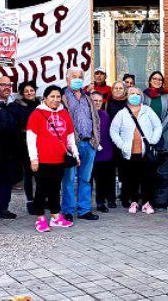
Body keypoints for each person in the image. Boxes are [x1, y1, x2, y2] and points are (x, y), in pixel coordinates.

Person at [27, 85, 79, 232]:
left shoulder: (64, 113)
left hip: (59, 159)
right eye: (52, 97)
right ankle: (40, 219)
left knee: (56, 189)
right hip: (42, 160)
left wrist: (75, 154)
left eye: (58, 97)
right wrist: (33, 158)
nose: (55, 100)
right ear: (45, 98)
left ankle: (56, 217)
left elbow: (70, 138)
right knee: (41, 190)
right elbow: (31, 138)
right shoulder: (37, 114)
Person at [110, 87, 163, 214]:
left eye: (137, 94)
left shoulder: (147, 110)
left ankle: (146, 203)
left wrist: (153, 140)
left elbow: (158, 126)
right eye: (132, 93)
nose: (135, 96)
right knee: (131, 178)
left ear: (141, 96)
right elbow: (113, 131)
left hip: (146, 152)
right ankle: (134, 202)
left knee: (147, 179)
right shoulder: (122, 113)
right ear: (127, 96)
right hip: (130, 153)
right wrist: (122, 145)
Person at [61, 67, 102, 222]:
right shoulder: (63, 97)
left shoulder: (87, 97)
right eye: (74, 76)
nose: (77, 79)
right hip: (72, 145)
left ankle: (84, 210)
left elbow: (95, 119)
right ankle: (68, 210)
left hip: (89, 144)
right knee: (69, 179)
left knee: (85, 178)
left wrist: (95, 139)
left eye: (80, 76)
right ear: (67, 79)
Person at [0, 75, 20, 220]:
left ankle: (3, 207)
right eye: (2, 85)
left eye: (9, 85)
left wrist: (0, 125)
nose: (7, 87)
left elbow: (16, 126)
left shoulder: (14, 104)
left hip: (11, 148)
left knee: (7, 179)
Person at [15, 81, 40, 214]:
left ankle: (41, 198)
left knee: (41, 173)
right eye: (26, 91)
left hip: (41, 143)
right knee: (29, 173)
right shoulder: (18, 106)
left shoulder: (41, 105)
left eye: (31, 90)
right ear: (22, 94)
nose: (29, 93)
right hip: (25, 144)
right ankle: (30, 200)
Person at [91, 91, 117, 212]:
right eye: (95, 100)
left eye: (100, 101)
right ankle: (85, 205)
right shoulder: (85, 115)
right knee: (87, 181)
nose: (98, 103)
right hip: (89, 152)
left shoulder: (105, 115)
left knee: (102, 180)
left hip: (104, 153)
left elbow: (108, 134)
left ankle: (101, 203)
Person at [106, 80, 129, 208]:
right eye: (116, 88)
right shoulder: (107, 103)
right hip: (110, 141)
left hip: (125, 141)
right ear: (112, 90)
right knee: (110, 172)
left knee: (125, 171)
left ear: (125, 90)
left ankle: (125, 197)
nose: (118, 90)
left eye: (121, 88)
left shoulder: (129, 104)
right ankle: (111, 198)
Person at [143, 71, 168, 152]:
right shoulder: (144, 95)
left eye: (160, 79)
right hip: (148, 131)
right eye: (154, 78)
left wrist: (159, 129)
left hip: (164, 130)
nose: (157, 81)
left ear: (162, 82)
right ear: (150, 81)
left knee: (164, 156)